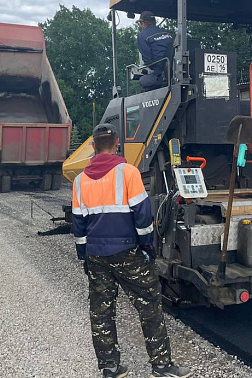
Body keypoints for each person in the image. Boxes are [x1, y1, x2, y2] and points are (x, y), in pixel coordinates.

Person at [72, 123, 191, 378]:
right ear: (117, 144)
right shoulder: (128, 172)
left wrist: (84, 256)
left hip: (96, 256)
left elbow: (78, 224)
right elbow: (143, 216)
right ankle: (161, 366)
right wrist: (148, 247)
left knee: (101, 311)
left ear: (93, 147)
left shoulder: (80, 180)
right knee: (149, 305)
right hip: (127, 253)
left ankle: (110, 367)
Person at [137, 11, 173, 90]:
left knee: (143, 81)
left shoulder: (142, 36)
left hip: (159, 74)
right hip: (174, 73)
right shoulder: (167, 33)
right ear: (154, 22)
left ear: (143, 23)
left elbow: (148, 61)